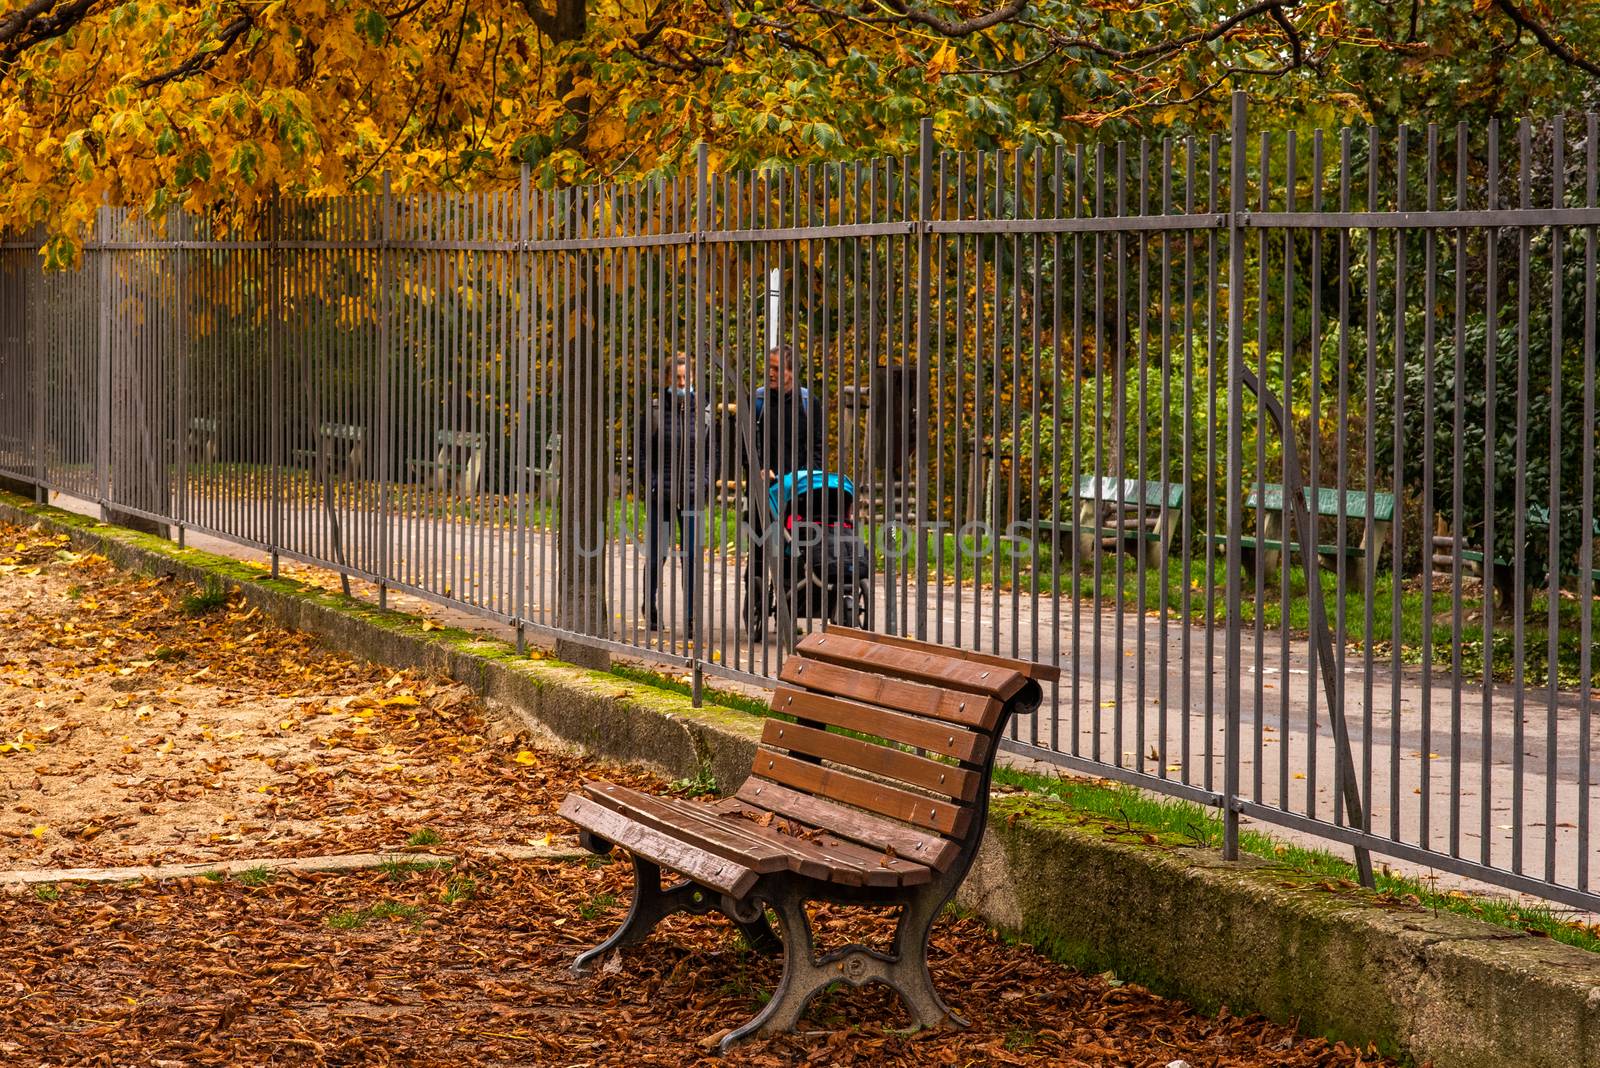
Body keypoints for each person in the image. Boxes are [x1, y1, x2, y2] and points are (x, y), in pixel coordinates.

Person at [745, 345, 824, 640]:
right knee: (759, 549)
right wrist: (759, 469)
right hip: (763, 492)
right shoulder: (758, 402)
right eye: (770, 367)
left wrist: (809, 476)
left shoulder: (808, 403)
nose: (772, 373)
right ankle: (753, 602)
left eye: (778, 368)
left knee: (795, 551)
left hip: (799, 492)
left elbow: (817, 447)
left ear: (793, 372)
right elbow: (745, 446)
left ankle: (790, 610)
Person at [637, 354, 708, 633]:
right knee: (657, 555)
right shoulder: (655, 409)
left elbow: (710, 452)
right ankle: (649, 607)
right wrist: (651, 482)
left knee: (690, 556)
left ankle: (691, 618)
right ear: (668, 379)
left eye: (686, 377)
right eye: (677, 378)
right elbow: (642, 452)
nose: (682, 382)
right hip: (661, 495)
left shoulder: (702, 410)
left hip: (691, 494)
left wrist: (704, 481)